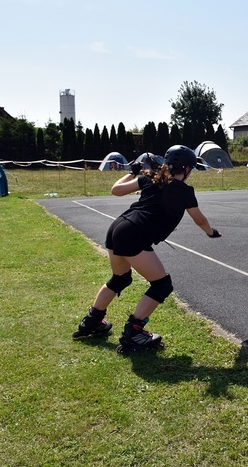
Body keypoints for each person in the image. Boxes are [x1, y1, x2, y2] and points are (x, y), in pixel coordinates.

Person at [73, 146, 221, 353]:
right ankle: (134, 333)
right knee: (162, 285)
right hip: (133, 234)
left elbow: (116, 190)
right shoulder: (184, 192)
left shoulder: (150, 179)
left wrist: (131, 172)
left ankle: (92, 321)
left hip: (118, 227)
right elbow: (199, 219)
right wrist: (210, 232)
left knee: (120, 279)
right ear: (186, 169)